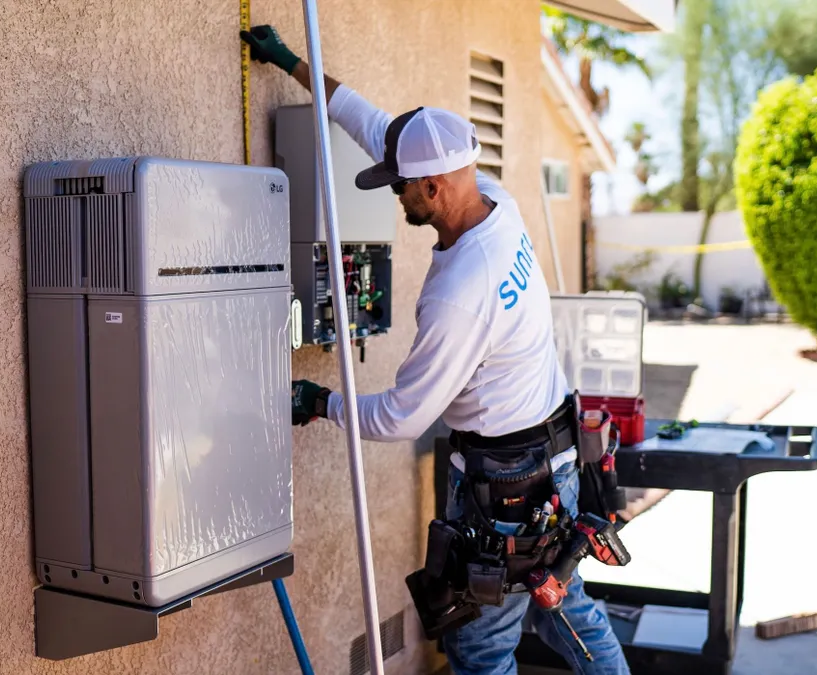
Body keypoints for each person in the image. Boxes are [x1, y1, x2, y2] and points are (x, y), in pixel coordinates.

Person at [241, 25, 629, 675]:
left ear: (434, 187)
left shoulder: (457, 292)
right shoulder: (495, 201)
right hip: (554, 459)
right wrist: (294, 65)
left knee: (480, 647)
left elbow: (403, 417)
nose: (395, 194)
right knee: (565, 604)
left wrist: (320, 401)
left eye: (402, 186)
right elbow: (377, 127)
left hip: (505, 491)